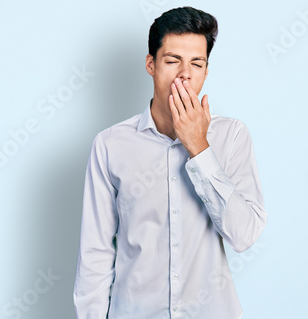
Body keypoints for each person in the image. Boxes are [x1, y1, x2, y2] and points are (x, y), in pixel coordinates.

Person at [73, 6, 267, 319]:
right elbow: (95, 255)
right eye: (172, 60)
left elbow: (244, 235)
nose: (185, 74)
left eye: (197, 63)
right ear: (151, 64)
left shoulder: (232, 136)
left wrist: (199, 149)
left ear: (206, 70)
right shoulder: (109, 145)